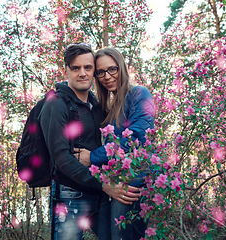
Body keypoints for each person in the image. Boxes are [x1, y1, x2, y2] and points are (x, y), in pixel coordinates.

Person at [39, 43, 141, 240]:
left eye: (88, 67)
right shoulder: (56, 104)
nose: (82, 73)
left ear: (94, 71)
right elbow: (61, 158)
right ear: (66, 70)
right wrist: (103, 184)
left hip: (99, 196)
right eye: (75, 68)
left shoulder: (96, 105)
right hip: (70, 195)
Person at [75, 47, 155, 240]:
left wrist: (92, 157)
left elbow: (136, 139)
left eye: (112, 69)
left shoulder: (139, 94)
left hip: (132, 183)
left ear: (122, 68)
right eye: (100, 72)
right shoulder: (109, 108)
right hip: (114, 184)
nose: (107, 76)